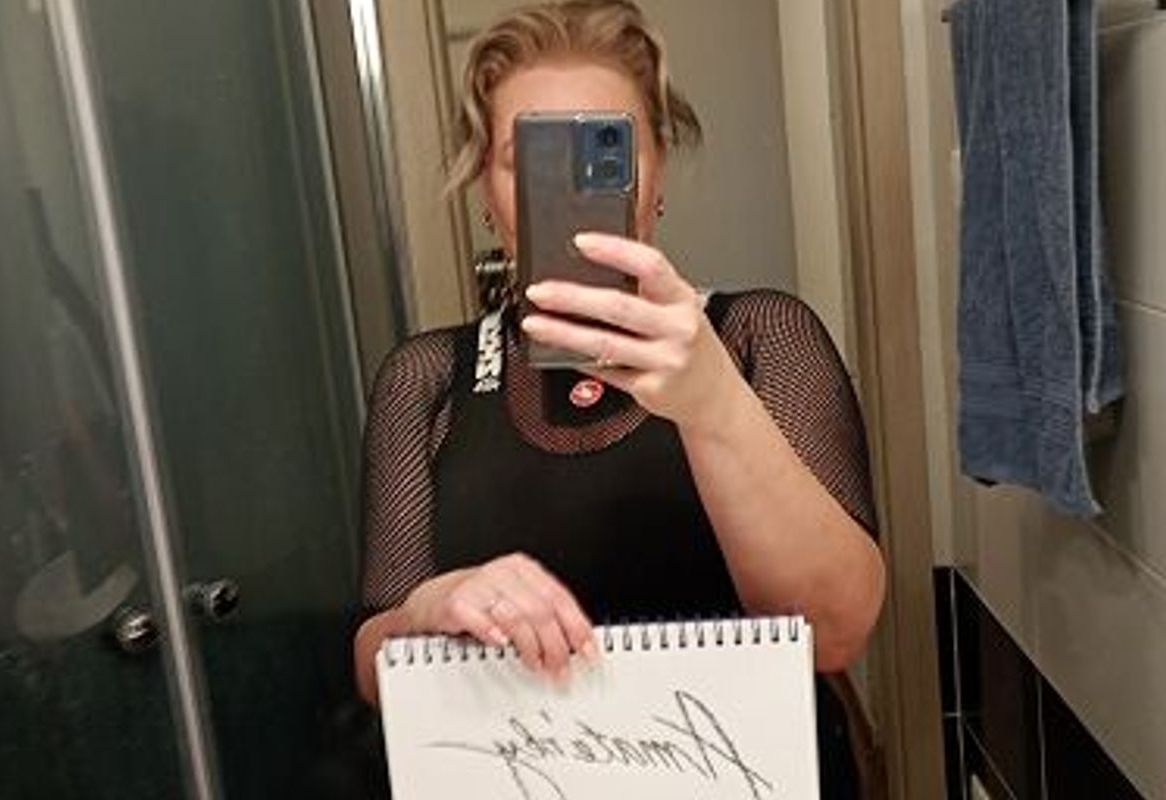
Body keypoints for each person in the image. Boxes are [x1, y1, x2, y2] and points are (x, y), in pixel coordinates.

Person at [352, 1, 885, 796]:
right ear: (486, 191)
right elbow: (374, 666)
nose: (569, 187)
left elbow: (835, 632)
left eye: (605, 152)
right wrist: (431, 605)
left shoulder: (759, 338)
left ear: (655, 171)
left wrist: (714, 403)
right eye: (528, 160)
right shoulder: (426, 379)